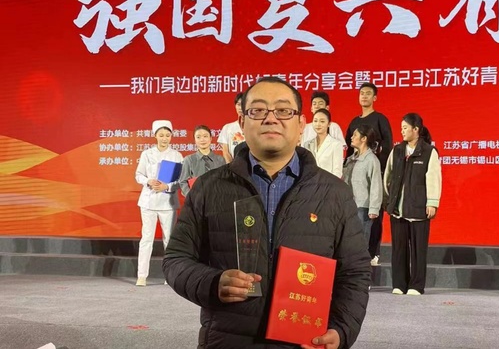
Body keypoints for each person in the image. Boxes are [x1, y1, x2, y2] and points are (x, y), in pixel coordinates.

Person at [163, 77, 370, 349]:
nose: (271, 119)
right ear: (242, 123)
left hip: (303, 341)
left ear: (301, 124)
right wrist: (212, 283)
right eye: (258, 110)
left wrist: (342, 329)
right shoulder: (209, 187)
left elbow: (354, 272)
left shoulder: (334, 193)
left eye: (283, 110)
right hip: (227, 341)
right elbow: (176, 259)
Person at [383, 113, 442, 296]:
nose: (402, 131)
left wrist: (432, 202)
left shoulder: (429, 152)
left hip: (418, 208)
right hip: (398, 209)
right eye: (401, 128)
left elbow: (433, 179)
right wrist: (388, 200)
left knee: (418, 250)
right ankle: (399, 284)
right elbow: (388, 176)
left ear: (416, 129)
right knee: (399, 249)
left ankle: (416, 285)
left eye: (405, 128)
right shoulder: (397, 151)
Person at [344, 82, 392, 265]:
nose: (364, 96)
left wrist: (380, 168)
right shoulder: (354, 122)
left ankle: (373, 252)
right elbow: (349, 150)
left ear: (375, 97)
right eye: (361, 93)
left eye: (368, 93)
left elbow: (388, 145)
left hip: (375, 171)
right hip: (355, 173)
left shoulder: (380, 119)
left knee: (373, 215)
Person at [134, 120, 183, 287]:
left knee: (169, 239)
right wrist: (148, 181)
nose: (164, 138)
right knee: (146, 238)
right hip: (148, 201)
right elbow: (138, 175)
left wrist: (166, 186)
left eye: (168, 135)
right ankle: (142, 276)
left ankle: (169, 276)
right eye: (161, 135)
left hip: (168, 203)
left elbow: (180, 180)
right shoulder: (147, 154)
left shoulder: (177, 155)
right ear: (155, 135)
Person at [343, 124, 383, 246]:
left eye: (355, 135)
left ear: (364, 138)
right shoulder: (350, 159)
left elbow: (376, 185)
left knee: (360, 242)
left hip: (363, 208)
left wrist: (374, 208)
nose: (351, 137)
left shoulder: (372, 160)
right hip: (348, 206)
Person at [178, 125, 225, 196]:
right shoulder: (189, 159)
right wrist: (192, 197)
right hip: (196, 199)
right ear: (195, 140)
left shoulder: (220, 160)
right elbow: (183, 182)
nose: (202, 140)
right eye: (198, 137)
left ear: (211, 138)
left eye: (205, 136)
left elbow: (224, 181)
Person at [302, 108, 343, 178]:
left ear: (329, 124)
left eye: (322, 121)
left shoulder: (336, 145)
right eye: (315, 121)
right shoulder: (307, 144)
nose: (318, 124)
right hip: (310, 183)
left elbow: (337, 172)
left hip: (328, 183)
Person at [219, 92, 245, 163]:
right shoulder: (227, 128)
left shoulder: (254, 127)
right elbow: (226, 152)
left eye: (243, 104)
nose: (240, 108)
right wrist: (232, 167)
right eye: (238, 104)